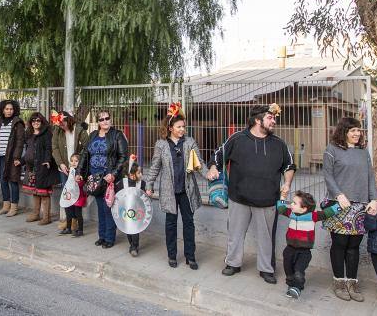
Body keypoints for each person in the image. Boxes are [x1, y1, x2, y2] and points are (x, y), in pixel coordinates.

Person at [207, 103, 296, 284]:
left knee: (266, 238)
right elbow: (219, 154)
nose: (274, 121)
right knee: (235, 234)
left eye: (274, 118)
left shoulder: (279, 144)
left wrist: (287, 183)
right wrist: (214, 167)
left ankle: (266, 269)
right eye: (270, 118)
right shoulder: (237, 138)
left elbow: (289, 165)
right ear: (257, 120)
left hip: (267, 200)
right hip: (238, 198)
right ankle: (233, 263)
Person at [321, 116, 377, 302]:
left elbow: (370, 177)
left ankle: (352, 283)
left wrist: (374, 200)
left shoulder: (363, 152)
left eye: (358, 130)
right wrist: (338, 194)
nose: (357, 133)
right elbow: (328, 175)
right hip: (339, 205)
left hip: (360, 206)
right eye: (353, 130)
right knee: (339, 245)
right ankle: (339, 282)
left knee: (354, 246)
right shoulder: (332, 149)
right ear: (344, 131)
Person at [145, 105, 205, 269]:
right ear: (170, 128)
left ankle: (190, 256)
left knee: (189, 223)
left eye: (183, 126)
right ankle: (172, 255)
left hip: (187, 190)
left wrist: (209, 175)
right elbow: (155, 167)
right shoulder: (161, 145)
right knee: (171, 224)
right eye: (179, 127)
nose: (182, 129)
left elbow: (199, 164)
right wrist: (149, 184)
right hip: (169, 191)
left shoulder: (190, 142)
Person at [76, 110, 129, 249]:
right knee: (100, 208)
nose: (105, 121)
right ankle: (102, 236)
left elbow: (123, 157)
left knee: (108, 208)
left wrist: (113, 174)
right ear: (98, 122)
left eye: (107, 118)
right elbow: (85, 154)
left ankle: (109, 238)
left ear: (110, 119)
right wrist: (79, 171)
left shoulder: (117, 135)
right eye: (101, 119)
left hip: (108, 177)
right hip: (94, 177)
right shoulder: (93, 135)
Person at [277, 191, 341, 299]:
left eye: (294, 203)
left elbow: (327, 213)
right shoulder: (291, 213)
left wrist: (340, 205)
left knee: (299, 272)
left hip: (304, 252)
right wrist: (282, 196)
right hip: (289, 249)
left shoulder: (312, 216)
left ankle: (297, 287)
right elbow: (281, 209)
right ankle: (291, 285)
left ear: (304, 208)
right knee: (288, 270)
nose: (291, 204)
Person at [52, 111, 89, 231]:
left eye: (63, 123)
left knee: (76, 194)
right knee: (67, 194)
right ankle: (69, 220)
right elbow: (54, 147)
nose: (61, 126)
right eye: (59, 124)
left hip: (77, 169)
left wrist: (79, 162)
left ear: (68, 120)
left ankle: (75, 221)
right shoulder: (57, 130)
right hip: (64, 168)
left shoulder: (79, 130)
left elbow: (87, 147)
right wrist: (61, 163)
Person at [22, 112, 59, 225]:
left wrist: (47, 160)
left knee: (44, 193)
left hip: (43, 167)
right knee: (35, 191)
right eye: (33, 121)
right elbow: (28, 150)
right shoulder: (29, 134)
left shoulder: (47, 134)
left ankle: (46, 217)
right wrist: (22, 161)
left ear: (42, 122)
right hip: (31, 168)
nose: (36, 122)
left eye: (38, 120)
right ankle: (36, 214)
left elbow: (49, 148)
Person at [0, 100, 25, 217]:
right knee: (3, 180)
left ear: (14, 110)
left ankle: (14, 207)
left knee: (13, 181)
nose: (9, 111)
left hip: (12, 157)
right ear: (2, 110)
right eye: (7, 109)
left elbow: (20, 142)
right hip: (0, 156)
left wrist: (17, 157)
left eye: (11, 109)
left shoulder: (17, 123)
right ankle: (6, 205)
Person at [60, 154, 86, 237]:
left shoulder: (81, 172)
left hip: (78, 197)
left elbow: (82, 184)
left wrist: (79, 181)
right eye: (72, 161)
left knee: (78, 214)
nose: (73, 163)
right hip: (70, 196)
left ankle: (80, 230)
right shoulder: (71, 170)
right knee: (68, 212)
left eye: (76, 161)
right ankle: (68, 228)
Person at [125, 163, 147, 257]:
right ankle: (132, 244)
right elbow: (118, 194)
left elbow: (145, 195)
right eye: (138, 172)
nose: (141, 174)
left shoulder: (142, 183)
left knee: (135, 229)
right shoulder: (123, 183)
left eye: (141, 172)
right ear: (131, 174)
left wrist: (149, 192)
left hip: (138, 210)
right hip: (126, 210)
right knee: (128, 229)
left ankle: (134, 247)